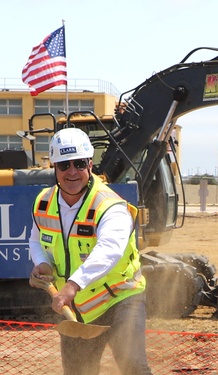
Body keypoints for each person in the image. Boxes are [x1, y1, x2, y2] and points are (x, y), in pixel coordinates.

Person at [28, 128, 152, 375]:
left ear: (90, 165)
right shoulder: (44, 201)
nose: (72, 171)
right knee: (77, 371)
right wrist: (43, 263)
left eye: (79, 163)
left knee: (133, 366)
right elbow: (35, 239)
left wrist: (73, 285)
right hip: (78, 308)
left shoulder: (110, 206)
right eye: (64, 165)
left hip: (121, 298)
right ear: (54, 167)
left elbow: (109, 250)